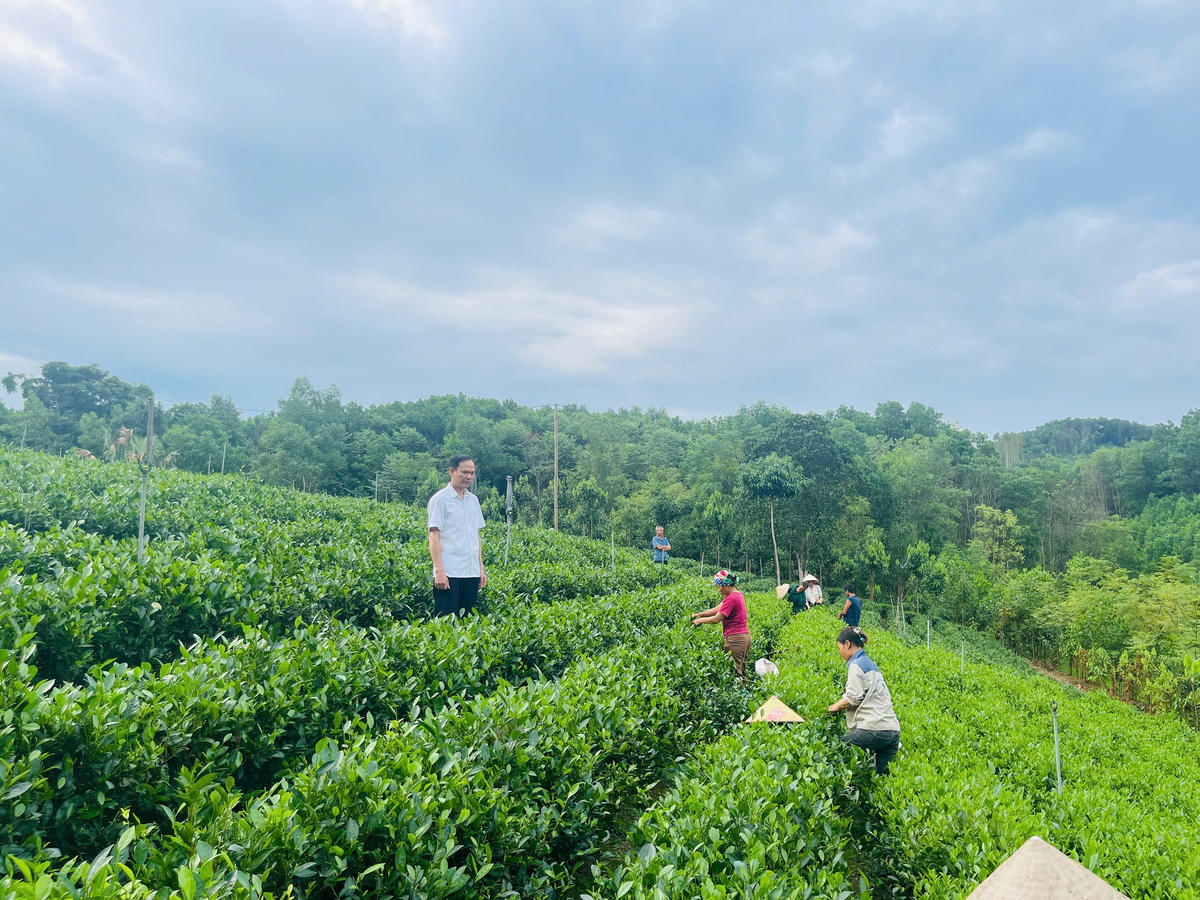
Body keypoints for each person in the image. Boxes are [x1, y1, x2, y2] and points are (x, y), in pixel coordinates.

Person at [827, 626, 901, 774]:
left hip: (874, 729)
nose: (840, 652)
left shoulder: (856, 665)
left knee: (836, 748)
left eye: (839, 647)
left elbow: (853, 698)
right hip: (892, 731)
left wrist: (833, 707)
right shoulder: (871, 664)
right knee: (879, 777)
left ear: (847, 644)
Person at [427, 454, 486, 618]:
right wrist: (439, 571)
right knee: (446, 625)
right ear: (452, 471)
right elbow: (433, 537)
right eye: (465, 472)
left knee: (467, 624)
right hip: (449, 573)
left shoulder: (473, 500)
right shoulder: (440, 500)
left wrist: (480, 569)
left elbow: (476, 536)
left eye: (472, 473)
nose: (469, 477)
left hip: (471, 572)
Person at [691, 569, 751, 682]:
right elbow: (717, 609)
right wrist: (699, 614)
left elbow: (717, 618)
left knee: (736, 673)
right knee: (741, 670)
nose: (718, 590)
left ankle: (739, 695)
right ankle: (744, 693)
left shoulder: (731, 598)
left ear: (726, 585)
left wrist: (700, 621)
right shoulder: (737, 595)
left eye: (719, 587)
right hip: (743, 637)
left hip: (735, 639)